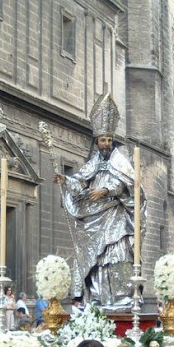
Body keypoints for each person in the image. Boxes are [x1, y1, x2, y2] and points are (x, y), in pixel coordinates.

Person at [53, 93, 147, 306]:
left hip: (116, 218)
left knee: (116, 254)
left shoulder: (121, 162)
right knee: (96, 259)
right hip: (94, 217)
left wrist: (107, 190)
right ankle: (97, 297)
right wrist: (65, 180)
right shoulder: (93, 162)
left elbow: (133, 186)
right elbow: (80, 180)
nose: (106, 144)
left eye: (109, 140)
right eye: (103, 140)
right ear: (96, 142)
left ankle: (123, 297)